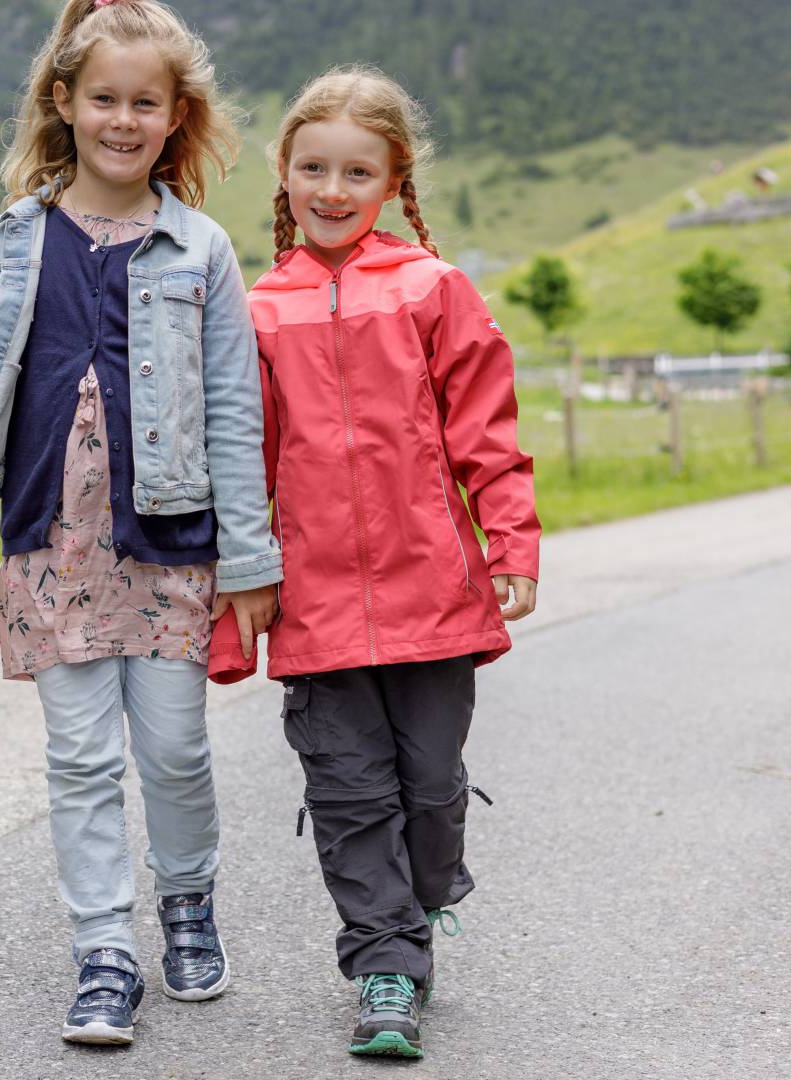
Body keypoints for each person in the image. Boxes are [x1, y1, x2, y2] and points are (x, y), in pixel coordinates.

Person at [0, 0, 280, 1047]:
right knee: (80, 758)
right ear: (63, 102)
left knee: (173, 749)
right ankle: (104, 953)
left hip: (171, 545)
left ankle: (186, 898)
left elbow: (232, 407)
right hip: (50, 538)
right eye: (104, 100)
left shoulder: (200, 247)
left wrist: (253, 558)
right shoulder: (9, 244)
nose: (123, 120)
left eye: (146, 103)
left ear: (177, 117)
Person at [213, 64, 540, 1059]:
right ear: (284, 171)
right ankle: (385, 967)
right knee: (348, 792)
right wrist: (237, 584)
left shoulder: (433, 289)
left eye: (359, 170)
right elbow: (242, 456)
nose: (333, 188)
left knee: (430, 786)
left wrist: (510, 540)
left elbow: (486, 426)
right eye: (314, 166)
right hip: (313, 604)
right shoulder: (259, 307)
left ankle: (425, 894)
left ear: (394, 178)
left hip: (433, 589)